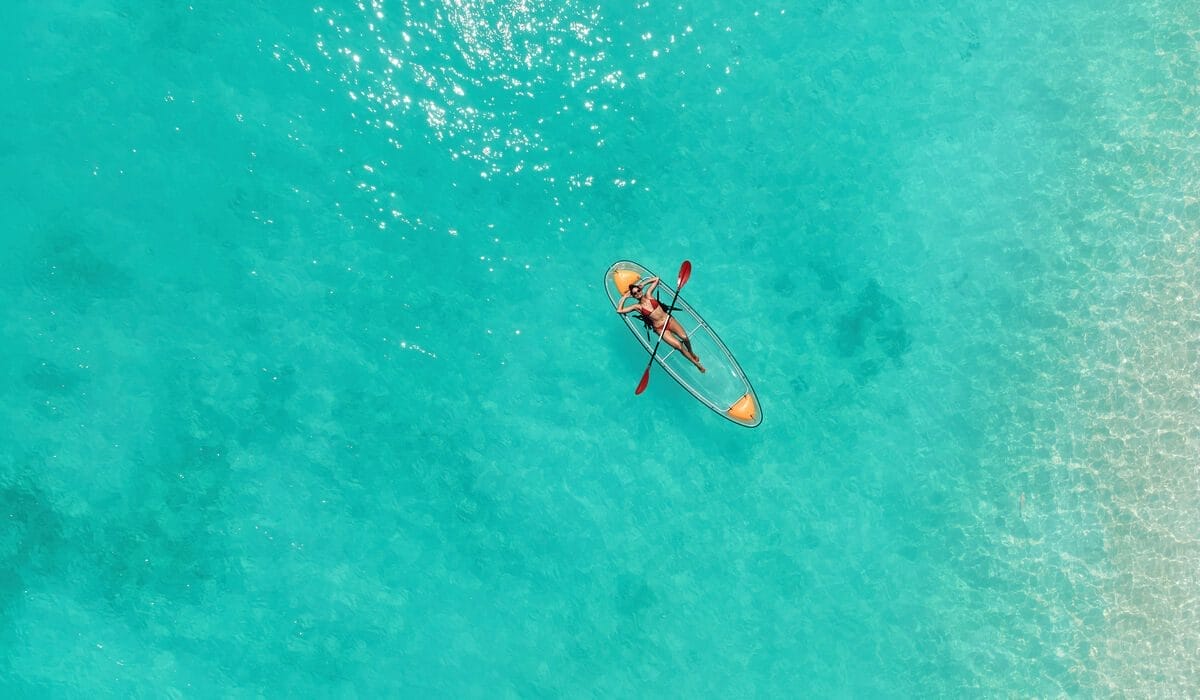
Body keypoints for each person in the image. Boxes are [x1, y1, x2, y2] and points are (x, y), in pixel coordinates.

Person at [617, 277, 706, 372]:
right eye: (634, 293)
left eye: (638, 290)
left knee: (685, 338)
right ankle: (696, 364)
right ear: (633, 296)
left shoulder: (649, 295)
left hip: (669, 320)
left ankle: (691, 352)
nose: (638, 293)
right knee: (678, 346)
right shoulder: (637, 307)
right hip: (660, 329)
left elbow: (656, 279)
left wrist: (643, 284)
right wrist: (625, 297)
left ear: (640, 289)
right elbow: (619, 310)